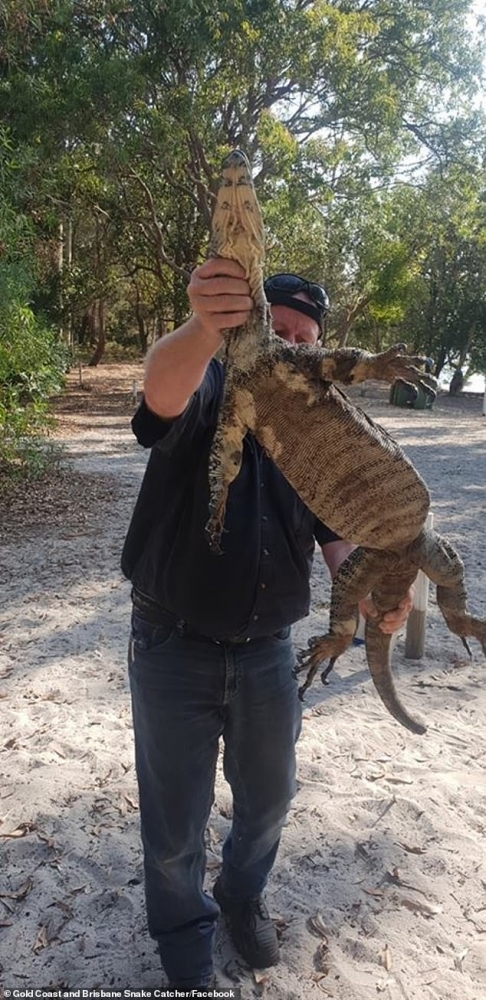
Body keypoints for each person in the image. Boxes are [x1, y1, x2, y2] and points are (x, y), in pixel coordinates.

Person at [122, 259, 413, 991]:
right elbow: (158, 399)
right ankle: (183, 934)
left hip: (267, 654)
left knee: (271, 800)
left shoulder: (318, 432)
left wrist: (370, 588)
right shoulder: (208, 384)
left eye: (303, 339)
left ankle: (241, 895)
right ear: (248, 330)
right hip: (172, 645)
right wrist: (203, 325)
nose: (288, 347)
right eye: (276, 330)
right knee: (174, 821)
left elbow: (336, 534)